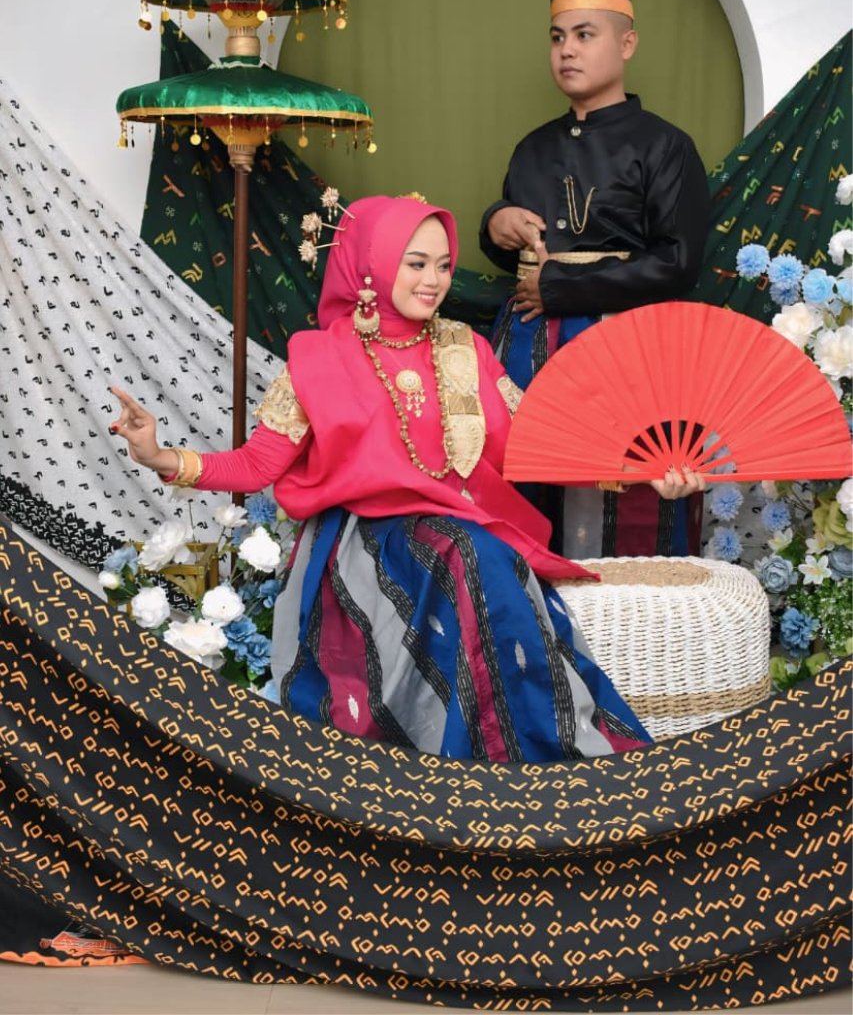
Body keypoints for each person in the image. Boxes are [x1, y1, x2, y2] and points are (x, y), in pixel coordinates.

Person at [111, 195, 701, 764]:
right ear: (371, 266)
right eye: (415, 264)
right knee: (468, 552)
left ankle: (542, 759)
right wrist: (160, 456)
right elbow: (257, 464)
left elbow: (535, 440)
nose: (433, 281)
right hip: (365, 540)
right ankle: (485, 765)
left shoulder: (465, 349)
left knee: (474, 550)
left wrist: (642, 473)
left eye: (443, 265)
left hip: (460, 530)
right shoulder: (320, 359)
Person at [479, 0, 711, 560]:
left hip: (625, 348)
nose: (567, 50)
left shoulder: (666, 146)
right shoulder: (532, 147)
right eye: (557, 37)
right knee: (522, 492)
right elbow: (520, 250)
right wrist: (496, 223)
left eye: (585, 35)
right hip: (528, 344)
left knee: (627, 495)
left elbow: (678, 263)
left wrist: (561, 287)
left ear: (627, 44)